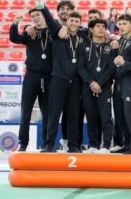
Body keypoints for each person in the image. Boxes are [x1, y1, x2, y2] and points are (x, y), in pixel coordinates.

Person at [40, 8, 87, 153]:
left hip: (76, 82)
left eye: (76, 21)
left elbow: (99, 30)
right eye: (71, 21)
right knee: (54, 113)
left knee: (73, 114)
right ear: (68, 21)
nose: (73, 23)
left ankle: (72, 146)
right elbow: (48, 19)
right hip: (58, 78)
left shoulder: (83, 36)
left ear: (80, 23)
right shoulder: (58, 33)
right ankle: (49, 144)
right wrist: (42, 5)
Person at [11, 9, 52, 151]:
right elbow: (14, 38)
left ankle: (47, 143)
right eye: (33, 16)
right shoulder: (29, 33)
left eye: (38, 15)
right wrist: (16, 23)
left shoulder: (52, 31)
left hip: (48, 77)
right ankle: (23, 144)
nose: (35, 18)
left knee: (46, 113)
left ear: (44, 16)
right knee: (26, 112)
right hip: (31, 76)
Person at [77, 19, 117, 154]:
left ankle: (106, 145)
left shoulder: (110, 46)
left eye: (103, 26)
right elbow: (80, 67)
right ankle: (93, 145)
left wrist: (100, 83)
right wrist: (91, 82)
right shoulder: (83, 45)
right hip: (88, 86)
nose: (100, 28)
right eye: (97, 26)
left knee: (106, 117)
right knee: (91, 116)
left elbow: (111, 68)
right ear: (91, 29)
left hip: (104, 86)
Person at [112, 14, 131, 154]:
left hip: (130, 81)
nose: (121, 26)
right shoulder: (121, 41)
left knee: (130, 115)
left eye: (125, 23)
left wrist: (123, 63)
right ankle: (125, 143)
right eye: (120, 24)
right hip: (118, 82)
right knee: (120, 115)